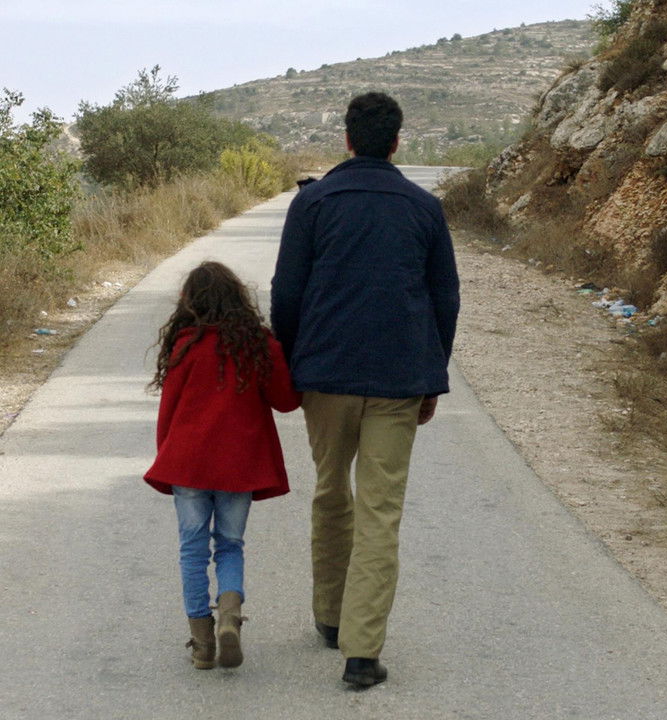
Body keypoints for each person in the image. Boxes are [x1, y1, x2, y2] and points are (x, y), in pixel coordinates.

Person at [270, 91, 460, 688]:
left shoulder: (312, 203)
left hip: (325, 376)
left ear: (347, 139)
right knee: (380, 511)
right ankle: (361, 652)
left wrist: (292, 366)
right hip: (399, 379)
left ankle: (330, 618)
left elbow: (286, 293)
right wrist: (432, 377)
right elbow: (445, 299)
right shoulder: (424, 208)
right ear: (397, 142)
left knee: (331, 491)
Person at [144, 261, 302, 671]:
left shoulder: (184, 345)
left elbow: (168, 412)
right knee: (230, 545)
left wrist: (168, 459)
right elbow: (287, 401)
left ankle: (202, 644)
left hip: (188, 465)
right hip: (239, 466)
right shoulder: (257, 344)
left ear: (190, 302)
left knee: (192, 549)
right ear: (238, 299)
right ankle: (230, 615)